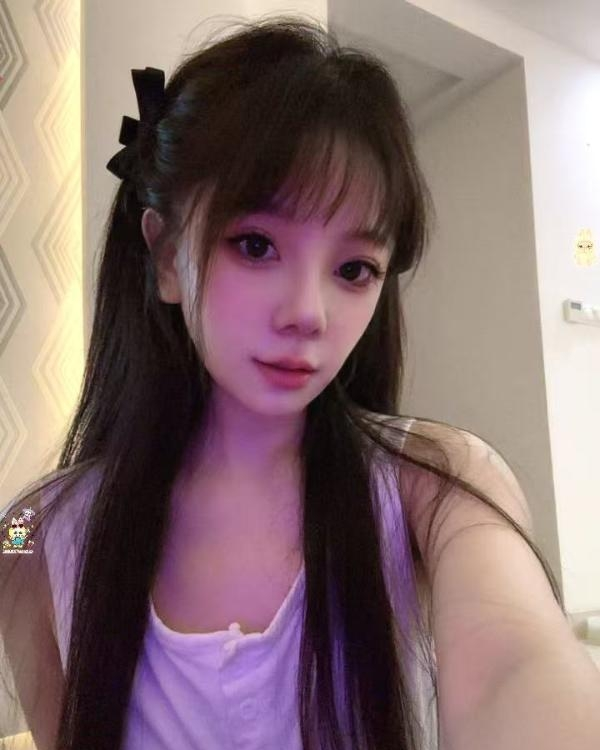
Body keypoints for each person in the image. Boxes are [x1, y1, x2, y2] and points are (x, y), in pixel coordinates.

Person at [0, 14, 576, 750]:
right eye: (255, 244)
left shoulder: (440, 481)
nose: (309, 313)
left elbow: (513, 668)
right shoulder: (32, 525)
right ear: (168, 256)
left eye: (354, 269)